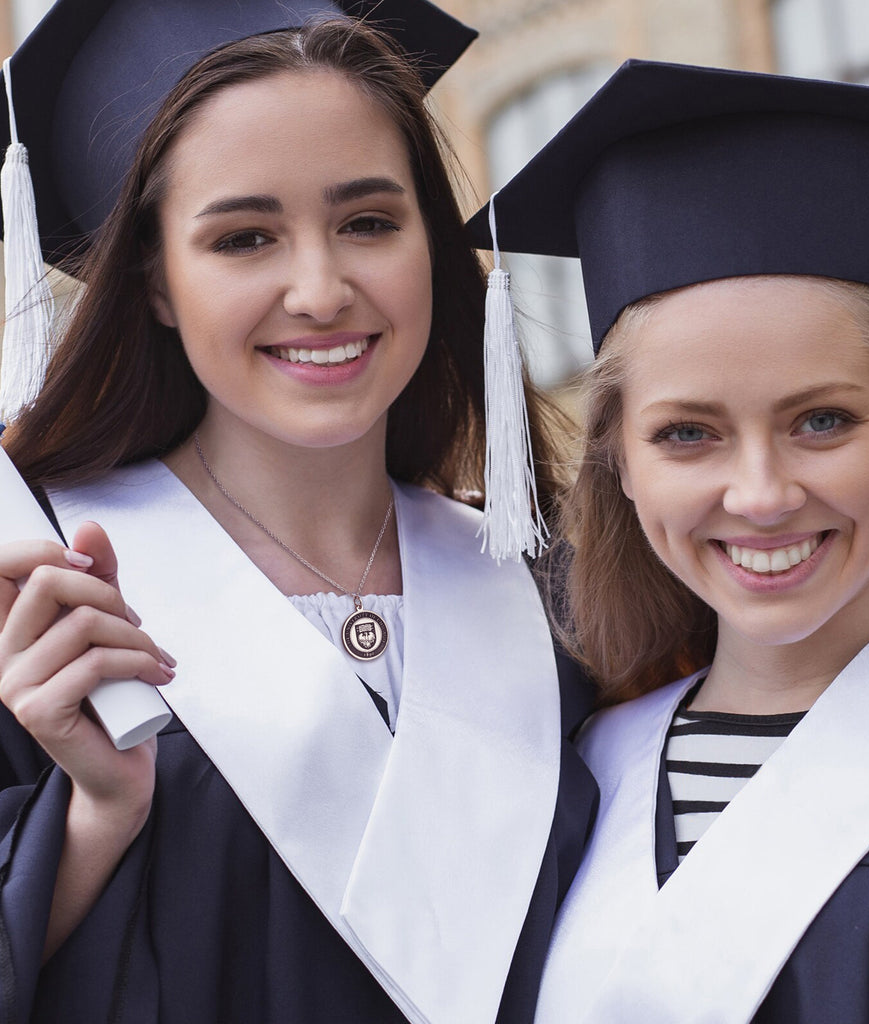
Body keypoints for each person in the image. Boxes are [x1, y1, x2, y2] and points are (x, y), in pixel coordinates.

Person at [0, 3, 597, 1023]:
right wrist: (97, 816)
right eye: (244, 238)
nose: (320, 290)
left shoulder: (562, 604)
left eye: (368, 222)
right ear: (153, 279)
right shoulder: (42, 602)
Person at [469, 60, 869, 1022]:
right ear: (619, 463)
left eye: (822, 422)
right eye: (688, 434)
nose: (762, 495)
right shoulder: (583, 773)